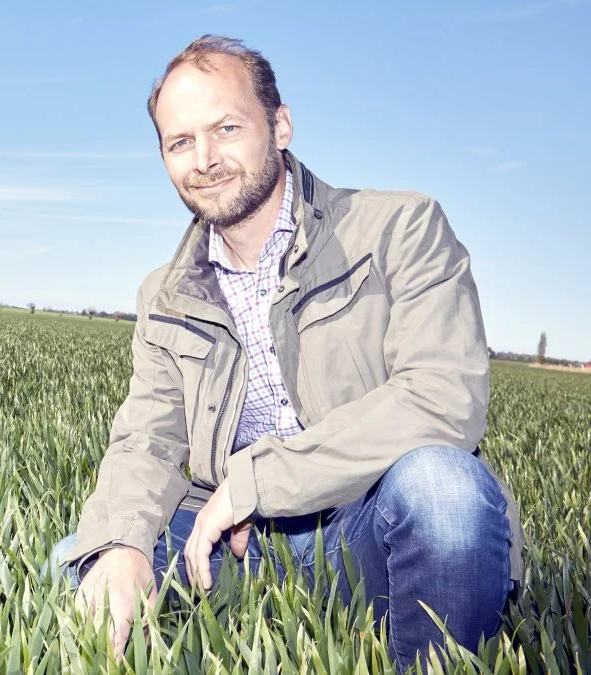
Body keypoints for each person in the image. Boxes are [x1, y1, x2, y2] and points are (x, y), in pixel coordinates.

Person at [46, 35, 524, 669]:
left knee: (444, 491)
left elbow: (442, 398)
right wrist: (123, 546)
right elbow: (148, 442)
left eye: (226, 128)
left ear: (281, 125)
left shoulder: (400, 228)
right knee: (79, 562)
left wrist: (257, 480)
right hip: (236, 545)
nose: (206, 158)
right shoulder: (163, 294)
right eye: (180, 142)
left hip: (366, 530)